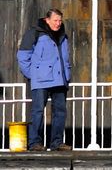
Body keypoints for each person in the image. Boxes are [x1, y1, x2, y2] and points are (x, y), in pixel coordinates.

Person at [17, 8, 72, 151]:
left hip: (60, 80)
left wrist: (67, 75)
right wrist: (34, 74)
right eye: (55, 20)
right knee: (38, 111)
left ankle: (57, 143)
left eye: (60, 20)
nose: (58, 24)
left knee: (60, 112)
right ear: (47, 20)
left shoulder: (62, 35)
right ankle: (34, 142)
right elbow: (23, 57)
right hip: (41, 80)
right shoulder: (34, 33)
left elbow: (65, 57)